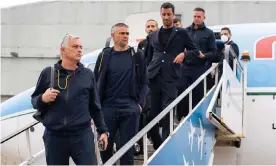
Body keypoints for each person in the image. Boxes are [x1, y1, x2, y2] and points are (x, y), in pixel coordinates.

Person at [31, 34, 109, 165]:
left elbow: (95, 106)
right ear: (63, 50)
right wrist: (43, 98)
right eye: (75, 46)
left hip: (82, 135)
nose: (79, 50)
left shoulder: (87, 75)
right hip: (55, 137)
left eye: (81, 47)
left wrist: (103, 130)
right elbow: (34, 101)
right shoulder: (48, 73)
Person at [146, 2, 200, 149]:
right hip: (153, 76)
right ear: (160, 14)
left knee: (167, 111)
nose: (166, 17)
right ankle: (158, 143)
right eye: (163, 14)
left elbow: (195, 52)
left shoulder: (181, 33)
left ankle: (166, 145)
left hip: (171, 77)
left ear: (173, 15)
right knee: (151, 113)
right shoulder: (154, 34)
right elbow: (148, 56)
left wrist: (184, 54)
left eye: (169, 14)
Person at [94, 23, 148, 165]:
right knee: (105, 148)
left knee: (127, 149)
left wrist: (140, 104)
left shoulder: (137, 55)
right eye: (122, 33)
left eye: (127, 33)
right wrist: (95, 108)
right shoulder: (104, 55)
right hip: (107, 108)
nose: (125, 36)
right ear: (113, 36)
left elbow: (144, 82)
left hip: (129, 108)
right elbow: (95, 82)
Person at [176, 7, 217, 121]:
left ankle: (196, 118)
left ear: (204, 17)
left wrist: (205, 56)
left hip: (199, 68)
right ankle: (181, 118)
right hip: (184, 67)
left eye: (199, 16)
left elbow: (214, 52)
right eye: (194, 16)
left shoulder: (209, 33)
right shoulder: (186, 31)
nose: (196, 19)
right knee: (181, 91)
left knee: (197, 94)